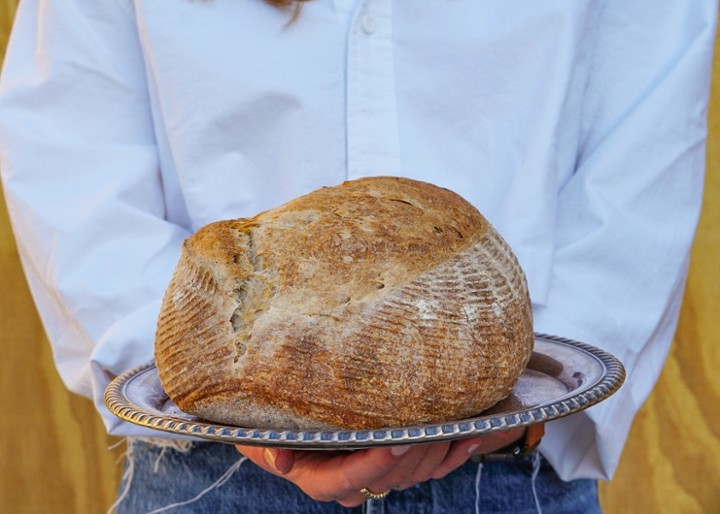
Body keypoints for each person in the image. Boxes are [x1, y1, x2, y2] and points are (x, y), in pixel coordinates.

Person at [0, 0, 716, 512]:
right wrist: (223, 404)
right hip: (213, 479)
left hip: (506, 476)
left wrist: (517, 406)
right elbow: (69, 145)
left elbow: (645, 141)